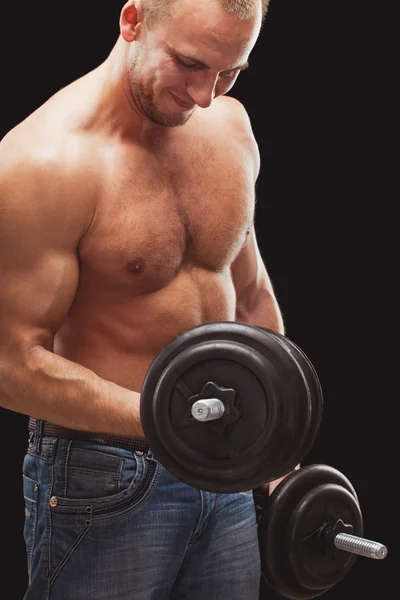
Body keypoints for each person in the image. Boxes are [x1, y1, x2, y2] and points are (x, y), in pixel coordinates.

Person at [0, 0, 294, 598]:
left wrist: (275, 449)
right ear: (133, 21)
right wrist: (171, 423)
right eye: (190, 64)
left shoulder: (228, 128)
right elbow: (9, 365)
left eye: (230, 71)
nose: (207, 94)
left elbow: (252, 298)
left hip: (228, 469)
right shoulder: (42, 165)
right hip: (104, 476)